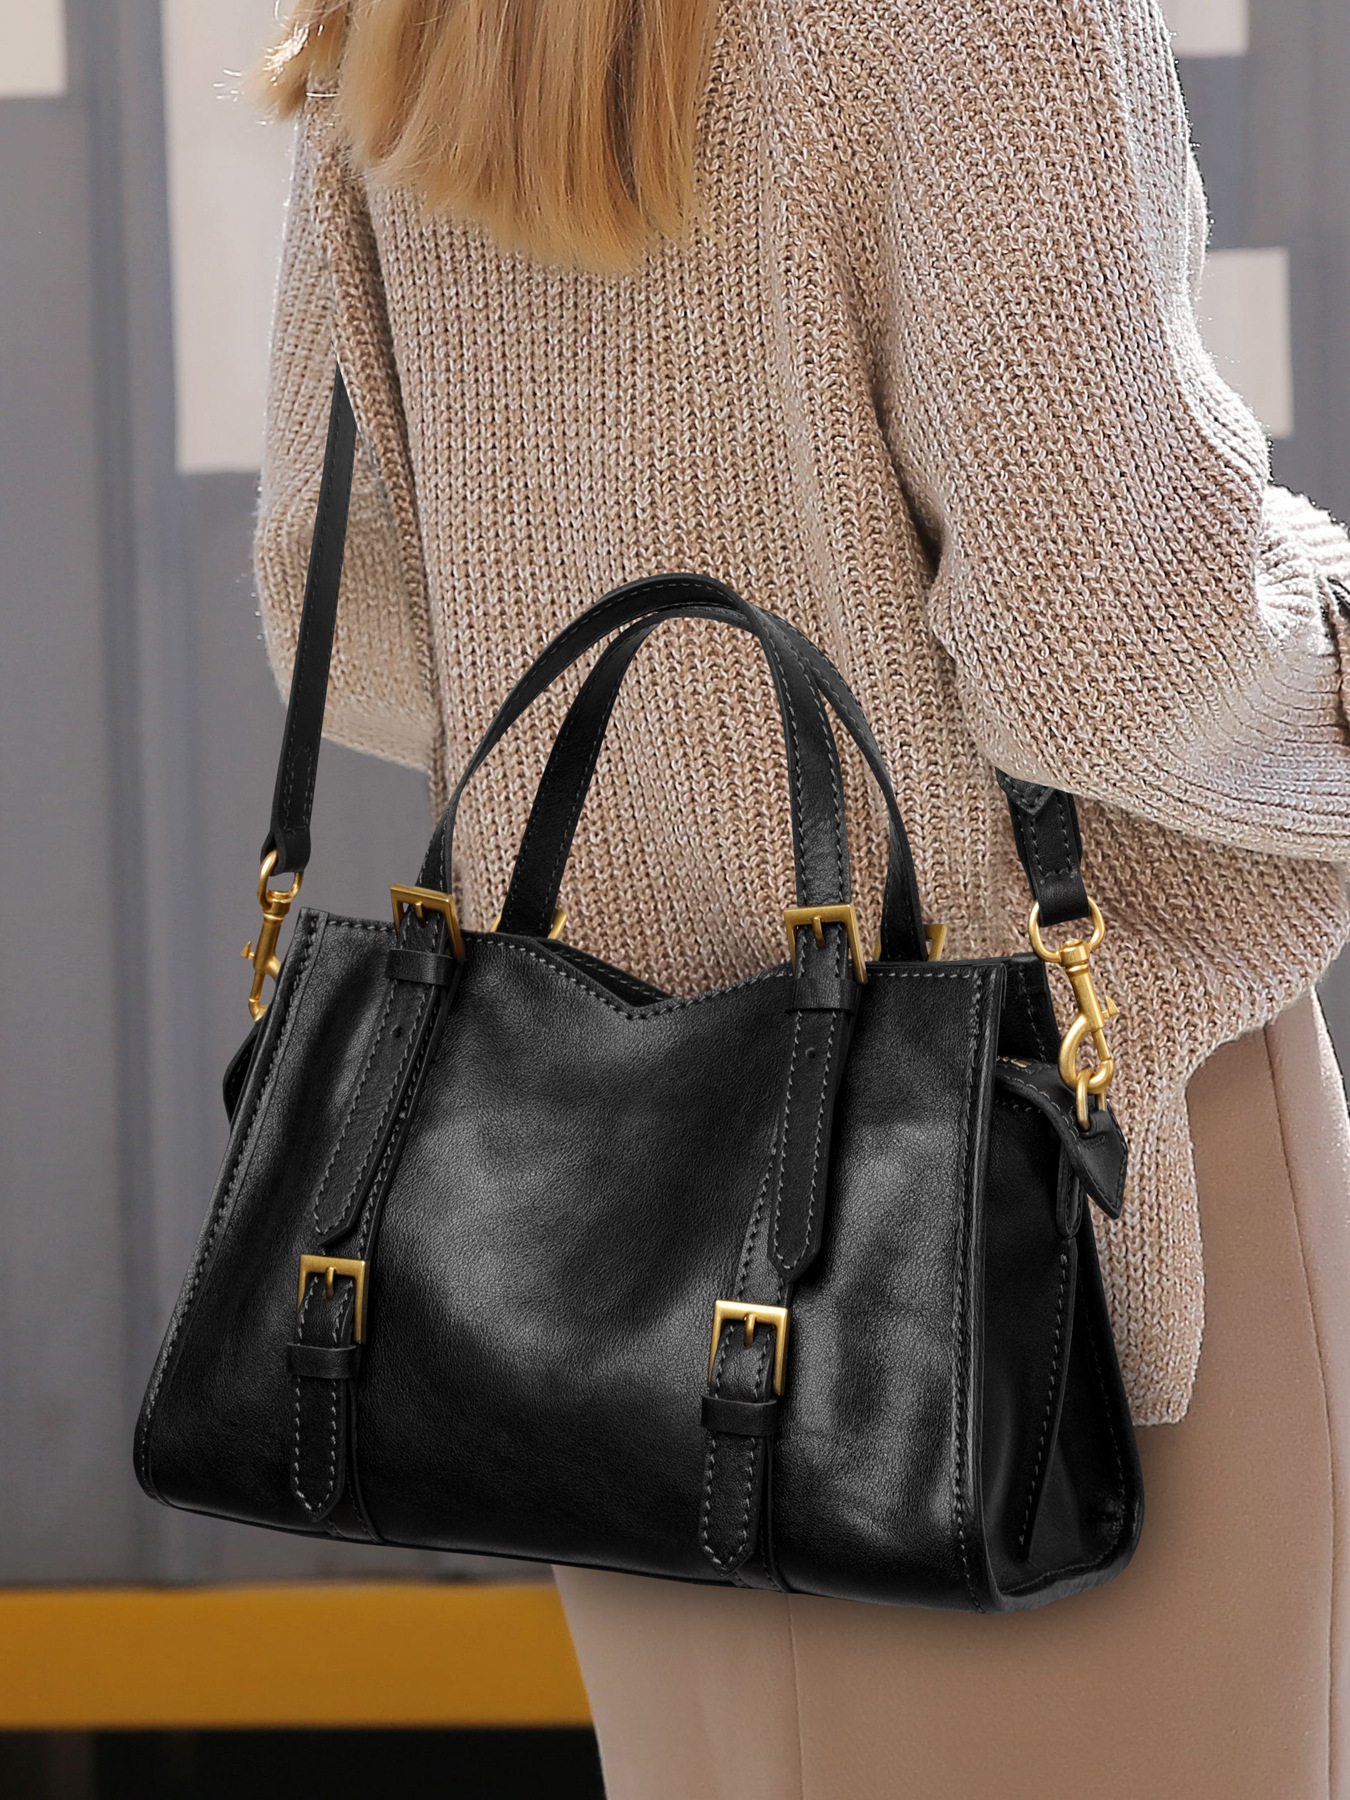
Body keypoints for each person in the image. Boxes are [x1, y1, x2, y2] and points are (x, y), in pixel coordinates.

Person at [253, 1, 1350, 1792]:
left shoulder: (414, 21)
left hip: (603, 1242)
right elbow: (1110, 642)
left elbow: (355, 612)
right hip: (1052, 1180)